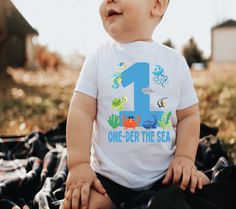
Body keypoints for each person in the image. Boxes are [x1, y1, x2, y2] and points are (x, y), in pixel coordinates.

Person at [63, 0, 210, 209]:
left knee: (199, 188)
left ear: (157, 5)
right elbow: (80, 112)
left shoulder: (174, 62)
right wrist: (78, 164)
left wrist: (184, 158)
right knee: (78, 204)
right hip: (108, 179)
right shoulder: (98, 58)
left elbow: (188, 116)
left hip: (165, 177)